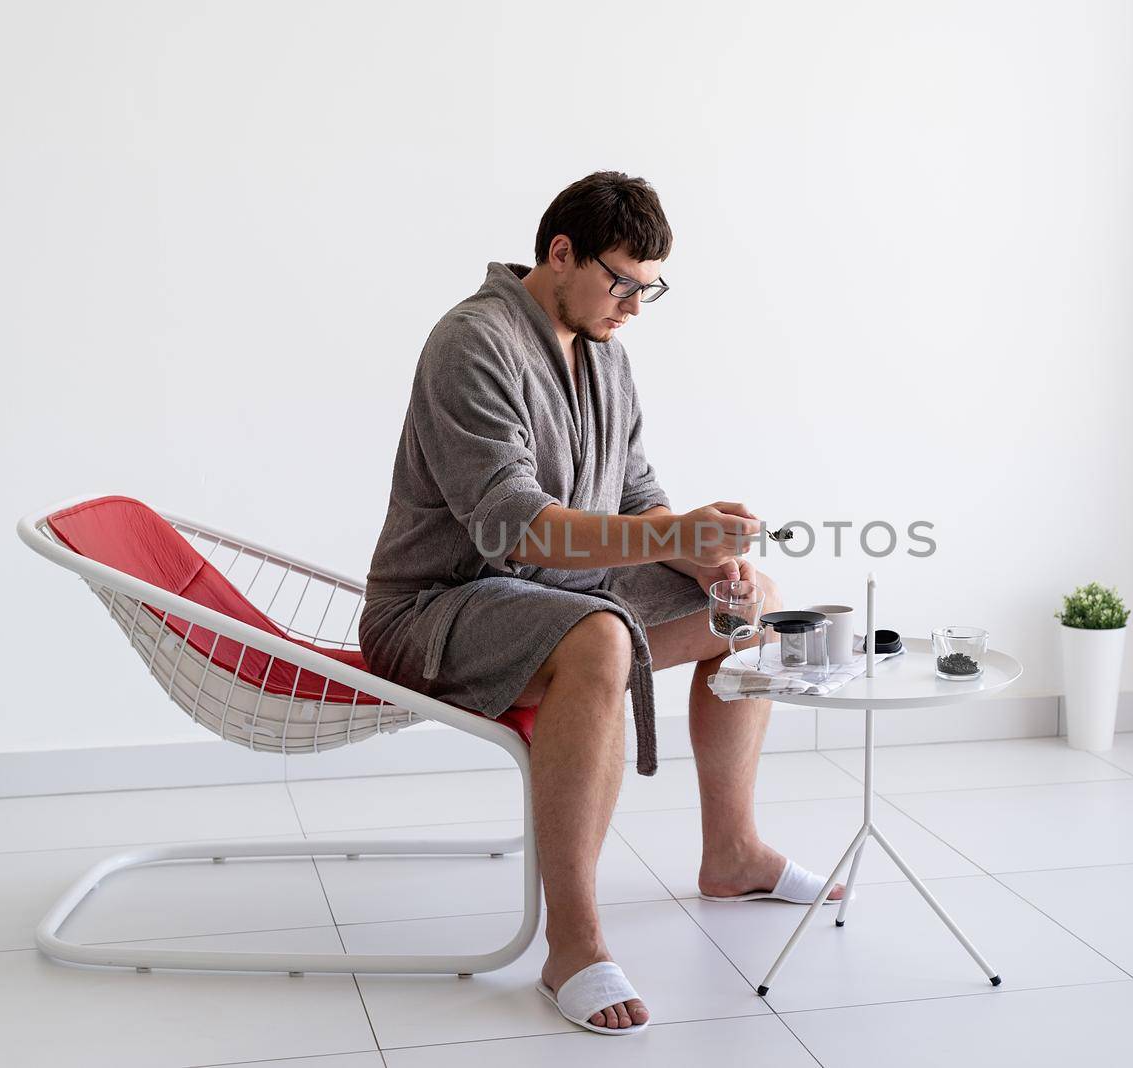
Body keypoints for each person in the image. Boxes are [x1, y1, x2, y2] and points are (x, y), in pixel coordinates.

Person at [360, 171, 843, 1035]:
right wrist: (670, 538)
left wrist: (702, 560)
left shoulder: (608, 354)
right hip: (439, 606)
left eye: (649, 290)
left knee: (754, 604)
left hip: (562, 594)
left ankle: (731, 853)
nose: (633, 308)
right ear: (559, 253)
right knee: (598, 639)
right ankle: (572, 943)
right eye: (621, 283)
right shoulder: (472, 343)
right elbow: (515, 527)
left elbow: (638, 499)